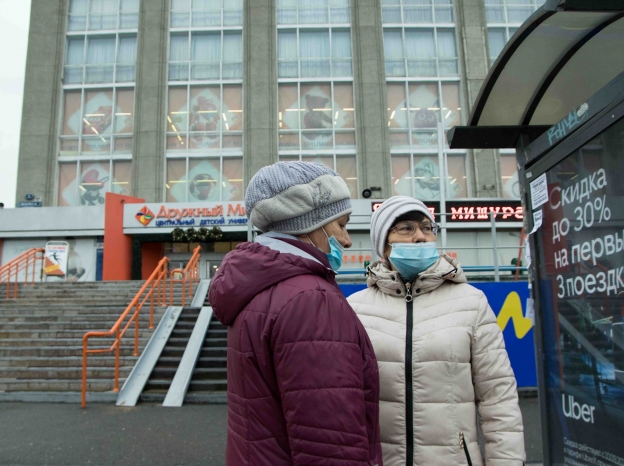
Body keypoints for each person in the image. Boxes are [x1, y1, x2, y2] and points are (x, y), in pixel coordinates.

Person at [209, 161, 382, 466]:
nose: (347, 240)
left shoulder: (261, 288)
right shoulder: (310, 298)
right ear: (308, 224)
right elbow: (330, 442)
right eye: (341, 225)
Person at [347, 196, 525, 466]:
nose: (420, 237)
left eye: (427, 228)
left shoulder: (471, 302)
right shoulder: (355, 309)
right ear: (383, 245)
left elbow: (498, 396)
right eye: (406, 228)